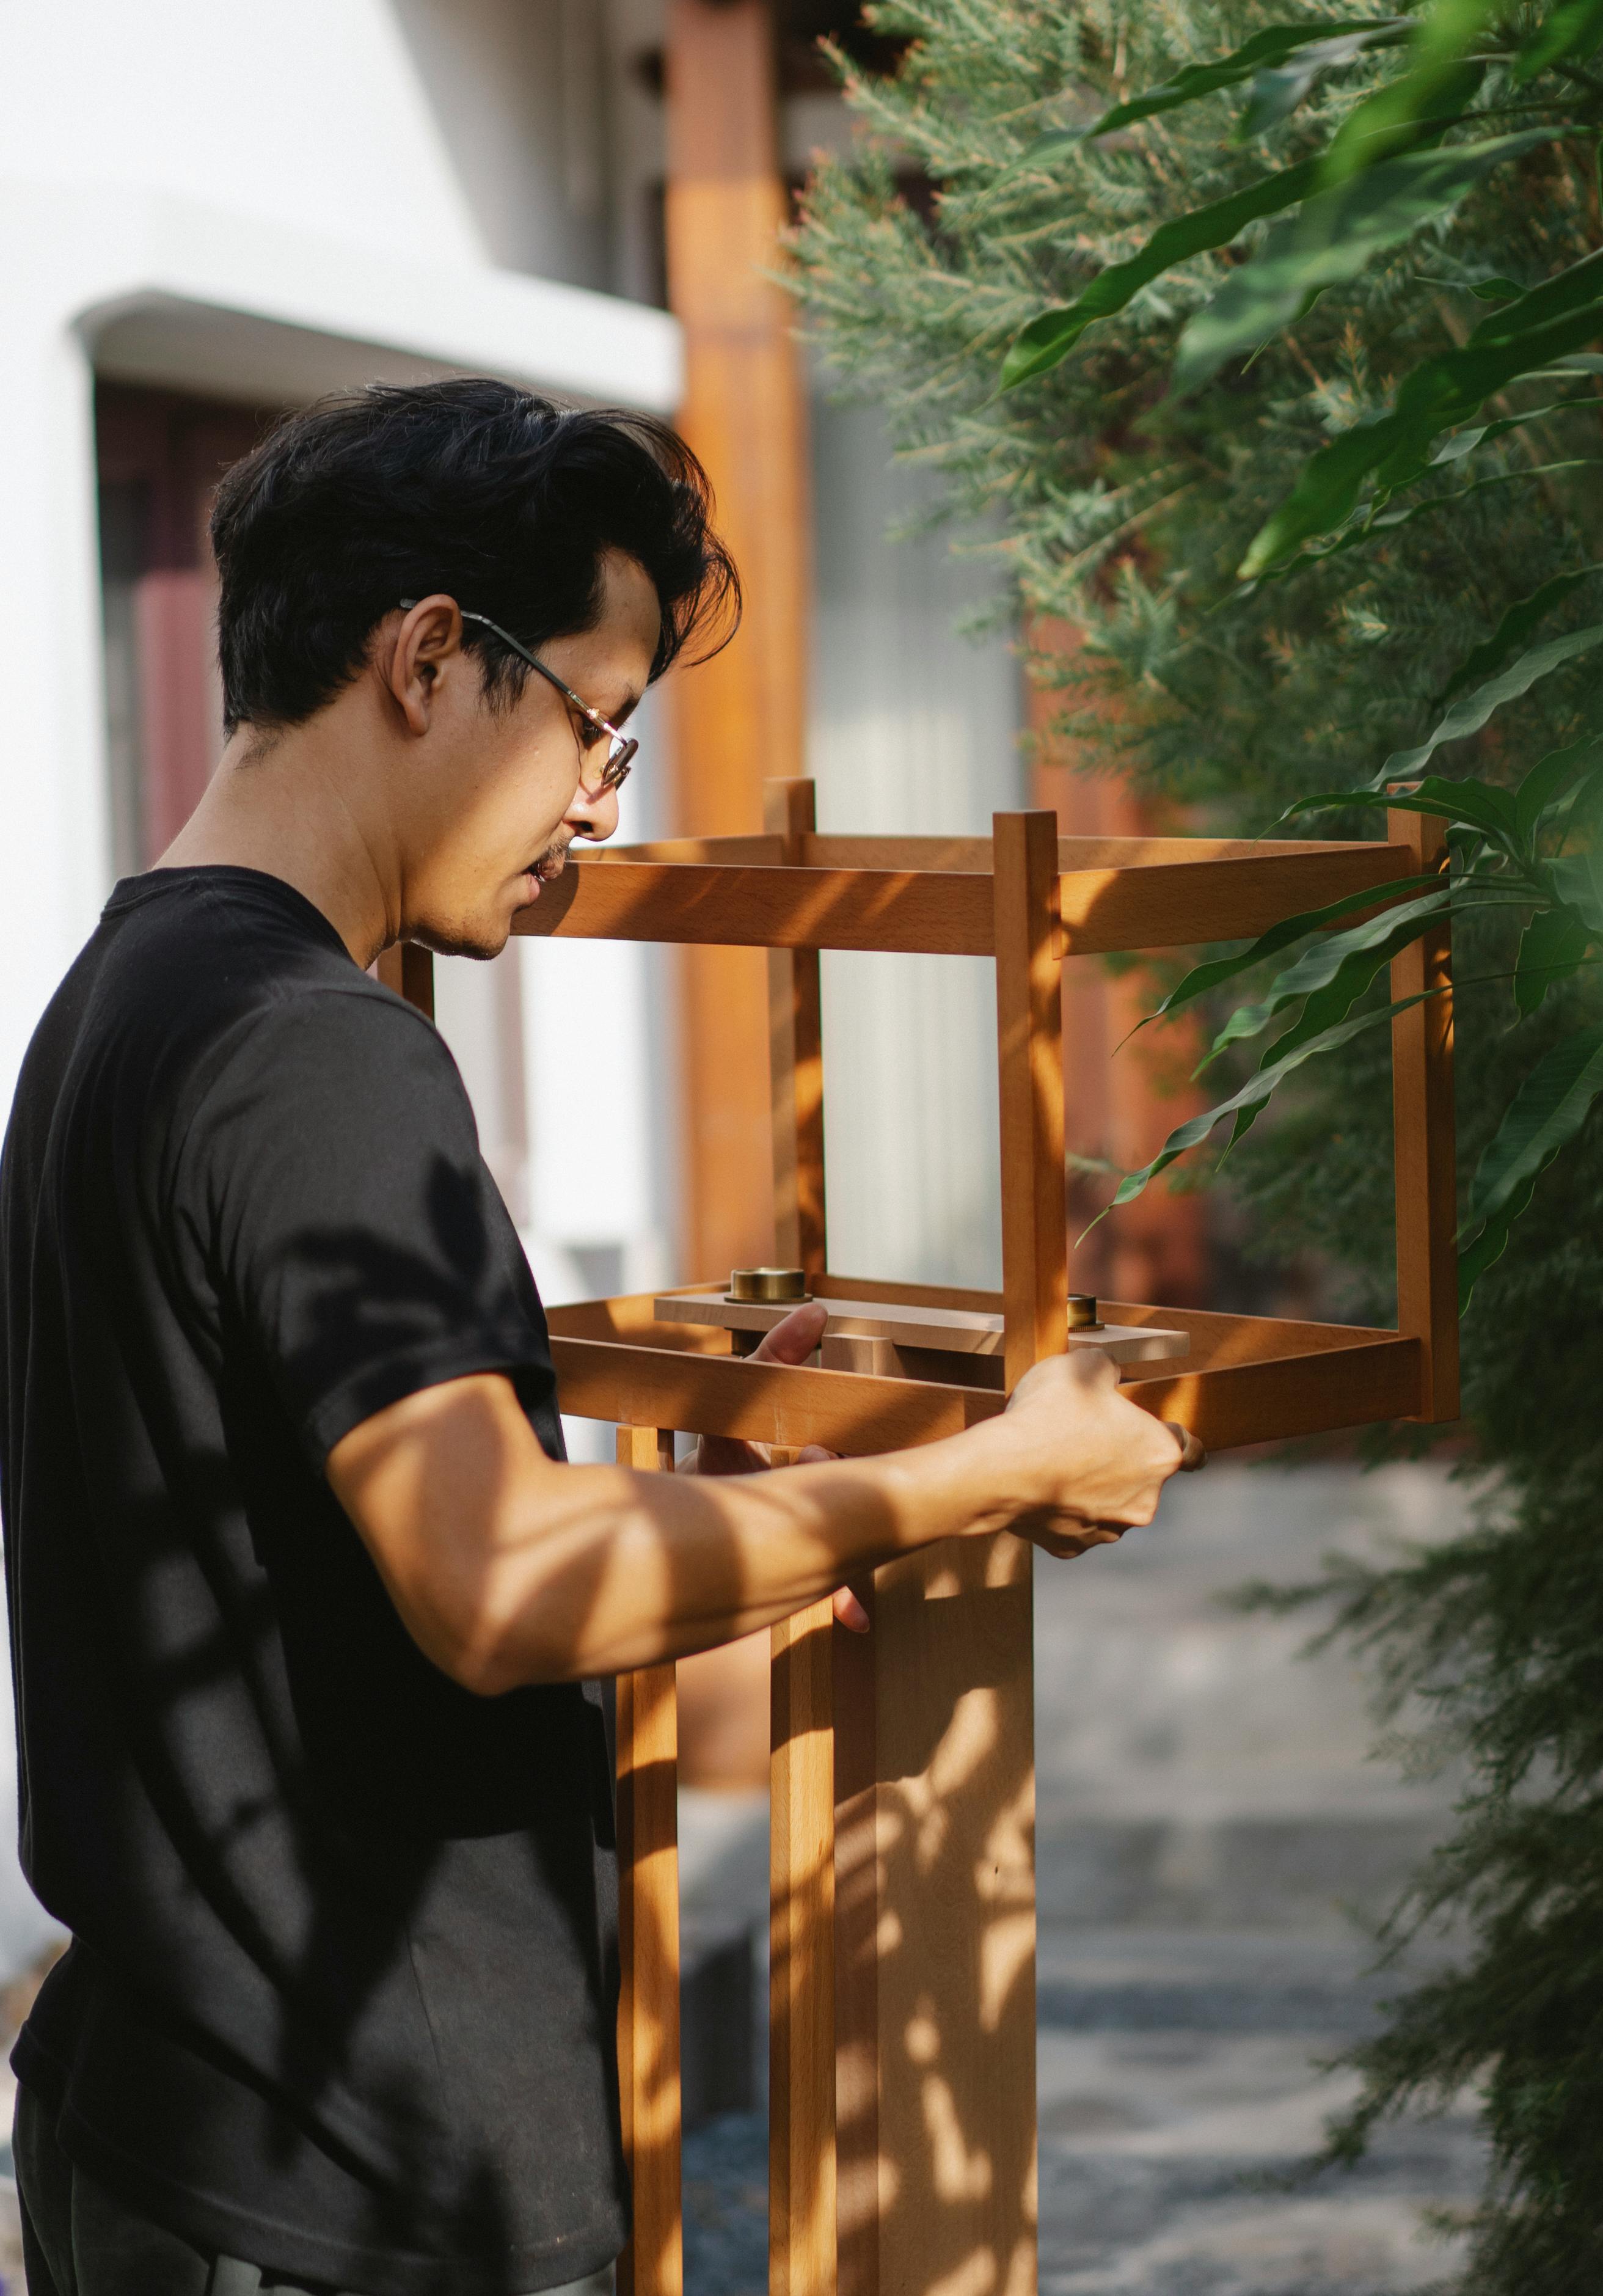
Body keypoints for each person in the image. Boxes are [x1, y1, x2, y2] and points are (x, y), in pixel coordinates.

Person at [0, 379, 1197, 2296]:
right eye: (593, 723)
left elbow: (340, 1584)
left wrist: (693, 1525)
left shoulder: (124, 995)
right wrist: (996, 1466)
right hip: (345, 2188)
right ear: (424, 662)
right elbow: (494, 1586)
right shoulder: (325, 1056)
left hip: (165, 2119)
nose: (600, 805)